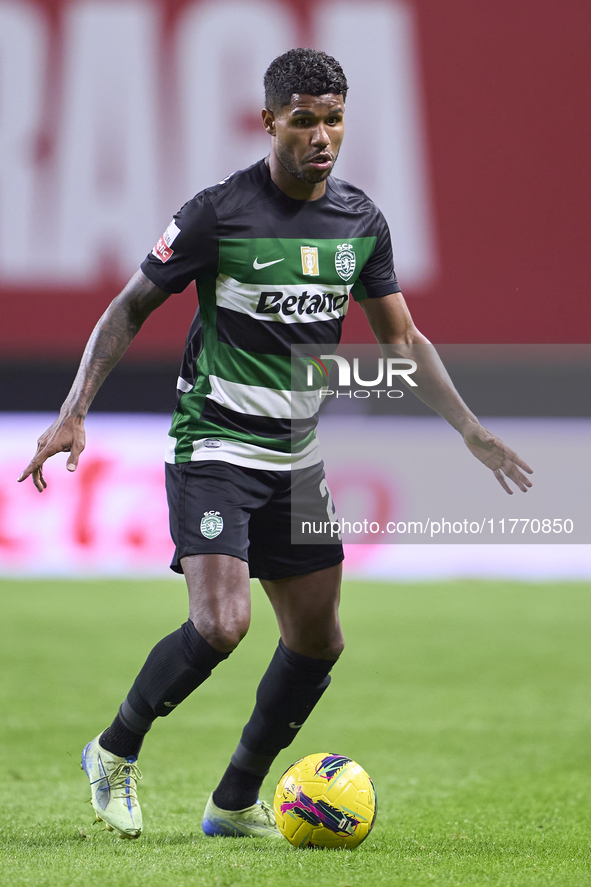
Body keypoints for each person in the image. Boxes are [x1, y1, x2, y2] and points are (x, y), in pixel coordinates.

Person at [19, 48, 533, 840]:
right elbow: (126, 309)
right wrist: (73, 410)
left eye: (332, 120)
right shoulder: (216, 214)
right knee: (222, 624)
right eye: (303, 121)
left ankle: (232, 801)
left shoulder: (359, 222)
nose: (321, 136)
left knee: (317, 639)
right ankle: (113, 750)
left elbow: (402, 337)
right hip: (215, 445)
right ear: (268, 122)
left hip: (295, 460)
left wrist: (469, 428)